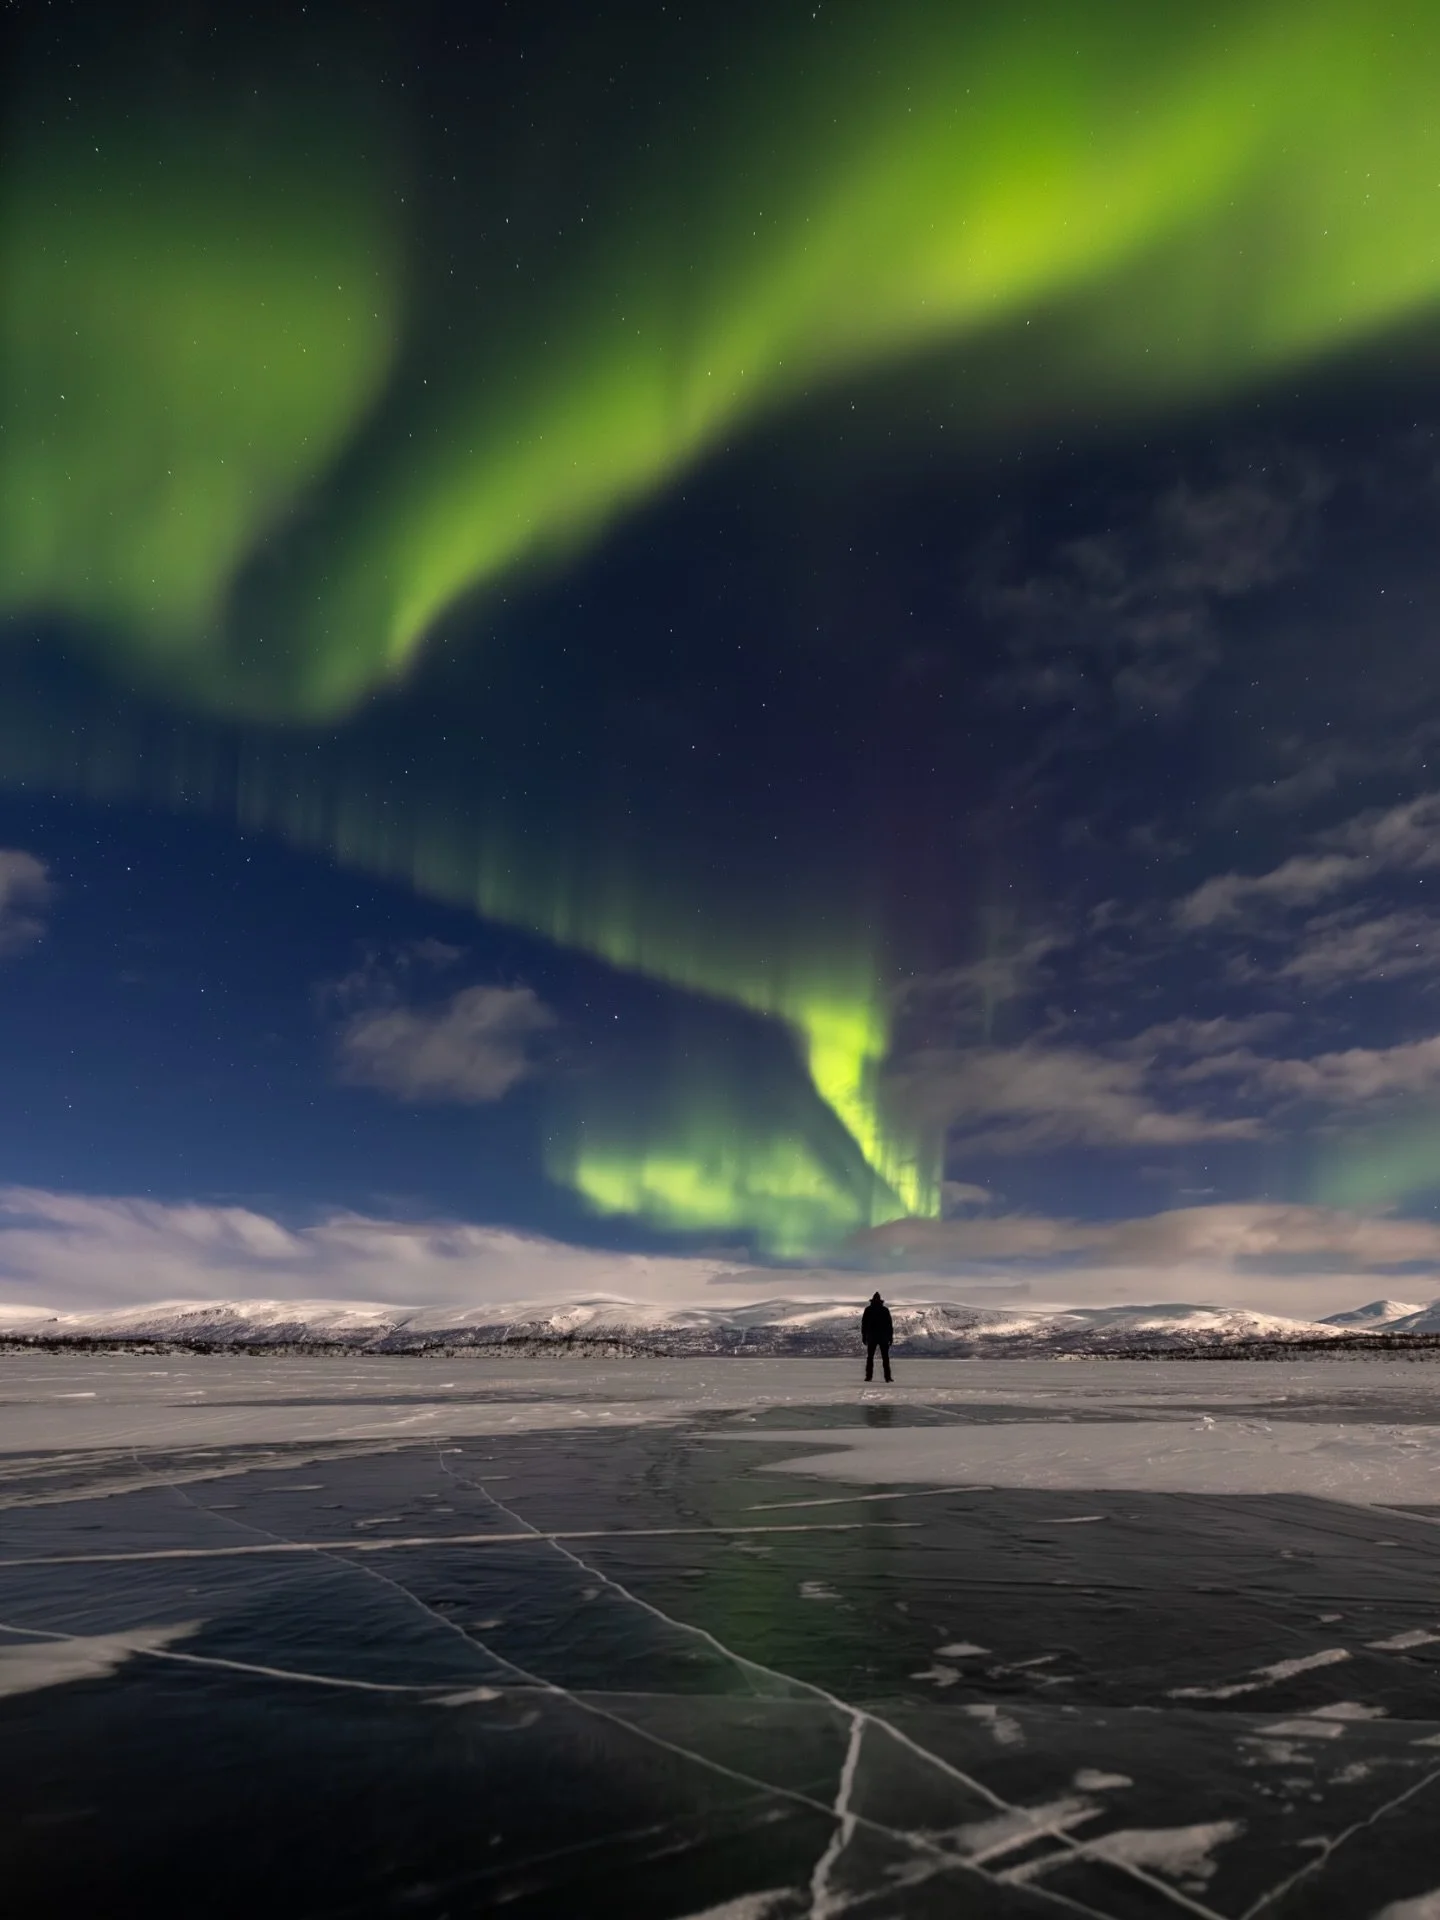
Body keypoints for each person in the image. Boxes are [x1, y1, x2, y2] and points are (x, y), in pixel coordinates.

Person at [861, 1290, 893, 1382]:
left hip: (873, 1337)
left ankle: (869, 1376)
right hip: (882, 1337)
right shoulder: (884, 1310)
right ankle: (887, 1377)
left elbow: (864, 1324)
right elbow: (889, 1325)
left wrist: (864, 1336)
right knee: (885, 1358)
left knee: (870, 1357)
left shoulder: (868, 1310)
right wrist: (890, 1337)